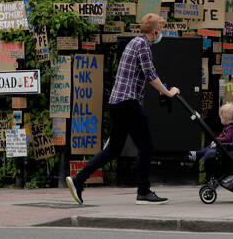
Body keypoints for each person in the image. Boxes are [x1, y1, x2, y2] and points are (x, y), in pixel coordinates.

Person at [66, 13, 180, 205]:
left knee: (113, 149)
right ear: (154, 31)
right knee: (146, 145)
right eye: (160, 29)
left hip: (117, 102)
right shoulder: (143, 44)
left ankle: (78, 180)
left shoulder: (133, 42)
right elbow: (150, 73)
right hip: (128, 102)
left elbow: (142, 74)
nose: (161, 33)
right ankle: (143, 192)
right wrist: (168, 92)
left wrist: (161, 89)